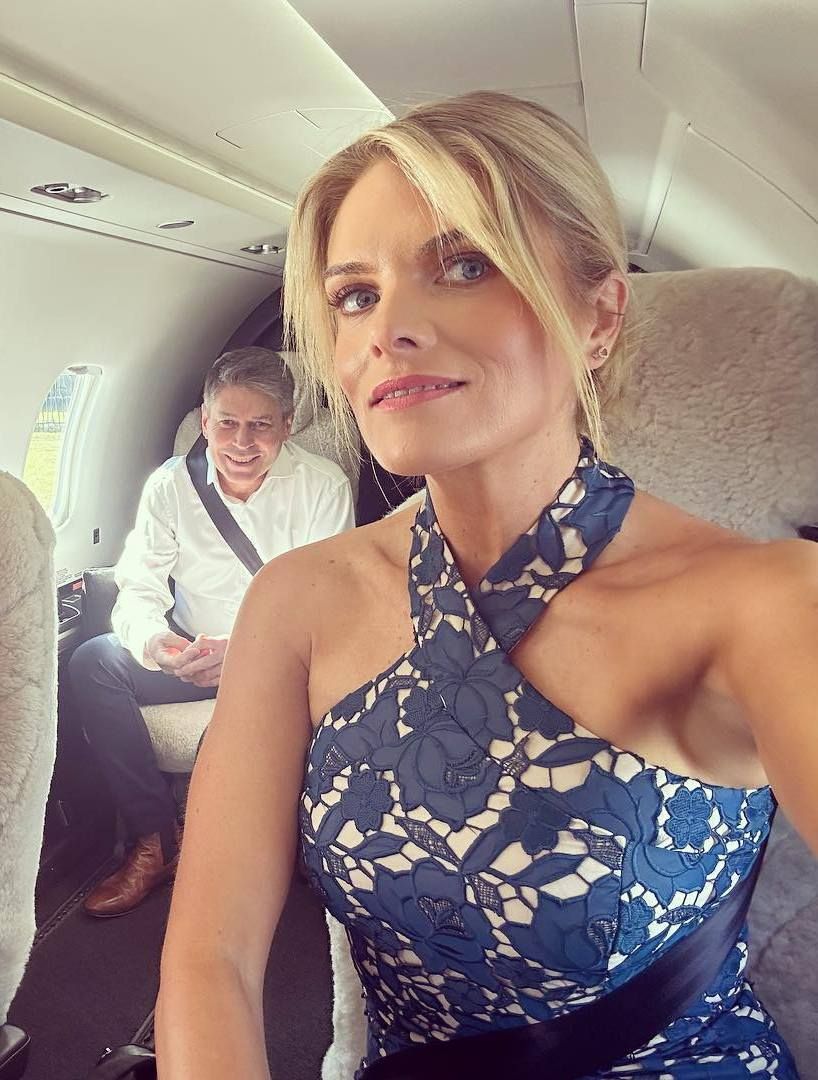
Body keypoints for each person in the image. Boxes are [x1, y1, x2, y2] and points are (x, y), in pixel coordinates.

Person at [155, 93, 818, 1078]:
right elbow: (211, 960)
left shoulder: (763, 604)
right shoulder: (297, 603)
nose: (388, 329)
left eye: (464, 266)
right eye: (354, 295)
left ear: (598, 316)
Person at [69, 347, 355, 918]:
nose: (241, 443)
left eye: (260, 426)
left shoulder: (323, 487)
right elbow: (139, 586)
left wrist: (249, 653)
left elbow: (327, 608)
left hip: (282, 663)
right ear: (204, 421)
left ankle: (307, 845)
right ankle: (156, 841)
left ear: (287, 426)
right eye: (227, 423)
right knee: (94, 661)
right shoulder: (169, 486)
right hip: (193, 653)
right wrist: (156, 643)